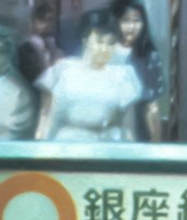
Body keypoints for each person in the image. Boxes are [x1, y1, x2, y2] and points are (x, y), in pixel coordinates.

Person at [37, 10, 149, 141]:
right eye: (100, 41)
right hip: (66, 146)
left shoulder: (122, 76)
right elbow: (45, 117)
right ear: (85, 41)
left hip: (107, 147)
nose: (104, 49)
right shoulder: (63, 70)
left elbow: (128, 128)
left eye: (111, 43)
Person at [104, 0, 167, 141]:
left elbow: (152, 107)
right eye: (125, 20)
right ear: (116, 21)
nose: (131, 27)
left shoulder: (148, 56)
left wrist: (156, 145)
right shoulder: (104, 50)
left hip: (137, 132)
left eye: (137, 20)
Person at [17, 0, 64, 87]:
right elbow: (34, 79)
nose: (47, 24)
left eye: (50, 20)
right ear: (33, 21)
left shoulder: (52, 44)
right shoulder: (26, 48)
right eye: (41, 19)